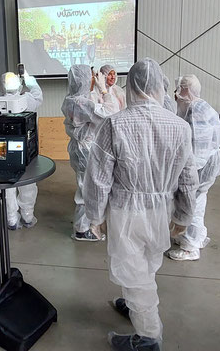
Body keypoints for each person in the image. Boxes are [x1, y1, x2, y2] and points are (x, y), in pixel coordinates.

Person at [85, 58, 199, 351]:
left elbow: (98, 179)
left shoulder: (115, 124)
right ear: (160, 86)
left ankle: (149, 337)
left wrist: (95, 215)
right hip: (161, 209)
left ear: (130, 86)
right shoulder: (180, 127)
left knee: (133, 268)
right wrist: (184, 215)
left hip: (126, 212)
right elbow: (188, 178)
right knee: (145, 263)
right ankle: (135, 302)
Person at [166, 75, 220, 261]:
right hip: (205, 161)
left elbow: (199, 147)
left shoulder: (196, 109)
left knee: (192, 202)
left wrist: (187, 172)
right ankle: (192, 237)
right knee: (197, 200)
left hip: (201, 164)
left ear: (186, 91)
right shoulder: (198, 106)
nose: (175, 95)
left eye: (179, 91)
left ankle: (190, 247)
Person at [63, 65, 109, 241]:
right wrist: (103, 90)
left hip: (79, 148)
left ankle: (86, 224)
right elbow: (108, 115)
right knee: (86, 190)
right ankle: (82, 230)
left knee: (85, 187)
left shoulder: (73, 99)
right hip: (85, 150)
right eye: (91, 77)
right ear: (83, 80)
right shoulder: (80, 103)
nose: (94, 79)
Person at [2, 71, 43, 230]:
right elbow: (38, 94)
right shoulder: (27, 99)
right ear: (19, 83)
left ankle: (11, 219)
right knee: (28, 183)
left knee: (8, 184)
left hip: (5, 151)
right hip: (26, 149)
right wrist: (29, 79)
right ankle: (27, 216)